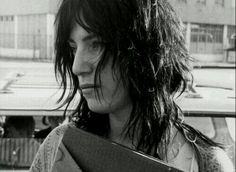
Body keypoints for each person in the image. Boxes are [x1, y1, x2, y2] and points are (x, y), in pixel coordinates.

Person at [30, 0, 234, 171]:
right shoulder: (60, 145)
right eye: (73, 48)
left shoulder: (205, 163)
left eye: (96, 44)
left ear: (145, 51)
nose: (77, 67)